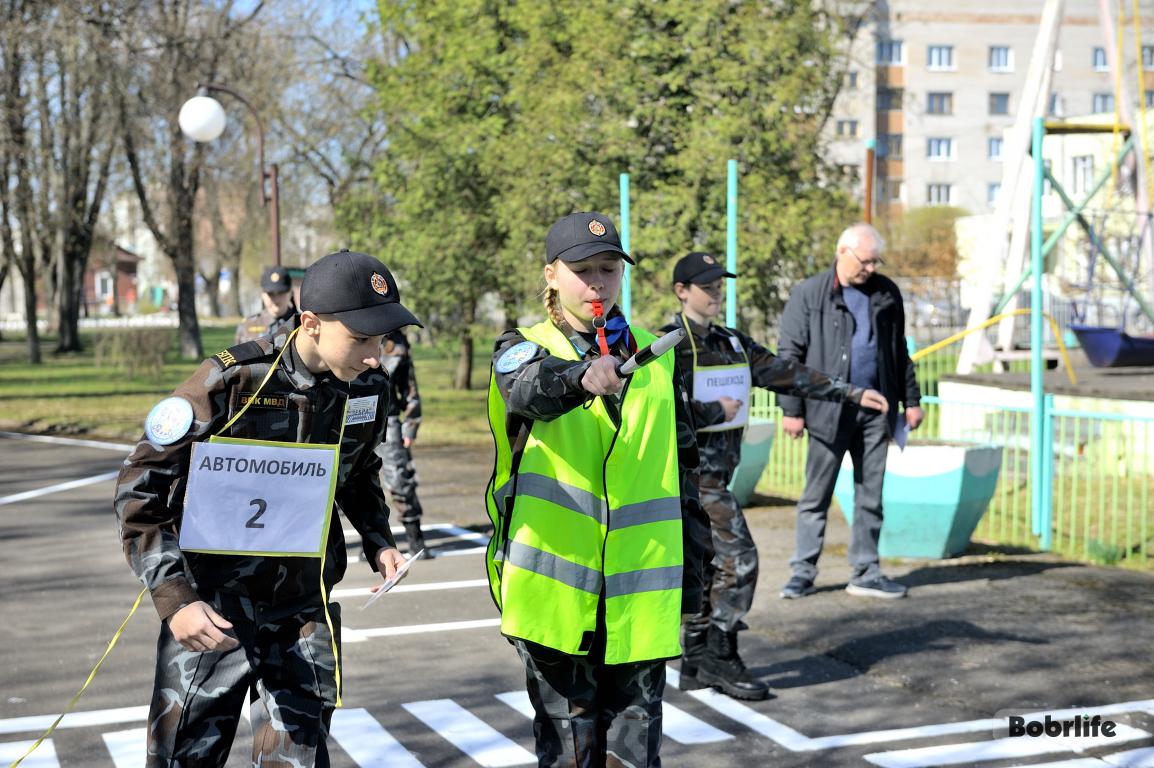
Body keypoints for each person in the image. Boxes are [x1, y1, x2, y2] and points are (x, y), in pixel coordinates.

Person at [114, 249, 421, 767]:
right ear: (311, 324)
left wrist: (379, 540)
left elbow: (359, 468)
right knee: (185, 758)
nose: (375, 355)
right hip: (213, 611)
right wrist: (174, 597)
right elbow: (140, 486)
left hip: (303, 612)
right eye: (362, 338)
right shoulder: (234, 380)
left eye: (381, 338)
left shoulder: (369, 386)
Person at [484, 211, 711, 768]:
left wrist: (699, 579)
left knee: (635, 760)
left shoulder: (658, 359)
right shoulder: (521, 347)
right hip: (556, 600)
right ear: (551, 276)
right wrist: (581, 377)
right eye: (582, 270)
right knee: (568, 758)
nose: (597, 283)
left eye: (609, 270)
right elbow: (529, 390)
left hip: (639, 600)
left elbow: (684, 474)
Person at [663, 252, 888, 702]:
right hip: (689, 480)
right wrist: (712, 410)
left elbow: (789, 374)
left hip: (720, 478)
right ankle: (720, 654)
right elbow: (659, 409)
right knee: (740, 559)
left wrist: (851, 393)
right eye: (706, 287)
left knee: (709, 568)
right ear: (682, 292)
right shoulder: (668, 345)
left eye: (719, 285)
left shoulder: (731, 342)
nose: (716, 294)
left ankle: (695, 660)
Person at [776, 223, 924, 601]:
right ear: (842, 252)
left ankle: (866, 571)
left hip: (877, 409)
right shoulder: (811, 294)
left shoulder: (886, 293)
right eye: (865, 260)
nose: (871, 268)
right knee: (816, 496)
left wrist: (912, 400)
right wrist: (792, 409)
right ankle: (802, 572)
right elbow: (789, 356)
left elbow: (898, 351)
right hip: (827, 410)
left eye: (876, 261)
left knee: (870, 494)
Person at [374, 327, 434, 556]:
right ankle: (372, 541)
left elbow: (409, 386)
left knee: (400, 478)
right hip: (353, 417)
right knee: (356, 482)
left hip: (388, 420)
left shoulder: (396, 341)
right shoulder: (348, 328)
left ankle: (415, 537)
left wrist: (411, 424)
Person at [234, 265, 299, 343]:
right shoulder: (247, 325)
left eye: (281, 293)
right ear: (262, 294)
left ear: (290, 293)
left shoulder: (302, 324)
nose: (276, 299)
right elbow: (237, 354)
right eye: (271, 294)